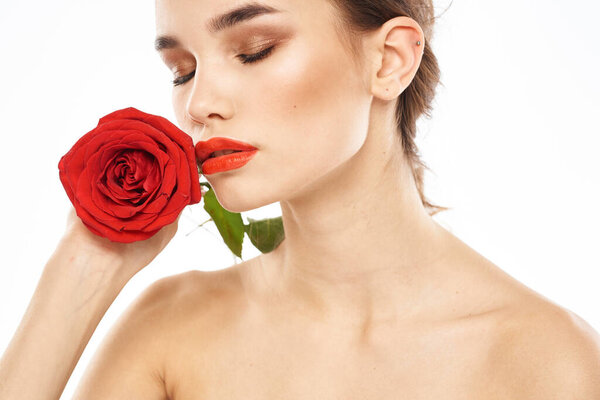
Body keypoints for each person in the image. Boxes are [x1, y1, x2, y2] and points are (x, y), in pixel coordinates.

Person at [1, 0, 599, 398]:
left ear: (389, 61)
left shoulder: (548, 365)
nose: (198, 103)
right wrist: (77, 274)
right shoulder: (168, 332)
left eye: (253, 49)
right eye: (182, 69)